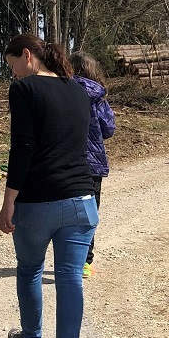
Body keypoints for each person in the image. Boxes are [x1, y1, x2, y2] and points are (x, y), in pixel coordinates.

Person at [0, 34, 100, 338]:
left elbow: (23, 147)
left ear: (28, 56)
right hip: (82, 200)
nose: (13, 75)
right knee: (70, 278)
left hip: (38, 201)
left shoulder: (24, 91)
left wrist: (9, 199)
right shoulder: (77, 89)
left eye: (13, 66)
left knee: (29, 269)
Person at [70, 51, 116, 276]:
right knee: (89, 212)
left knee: (67, 210)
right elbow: (109, 130)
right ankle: (85, 262)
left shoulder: (61, 90)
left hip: (66, 160)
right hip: (92, 163)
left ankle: (67, 257)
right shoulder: (98, 97)